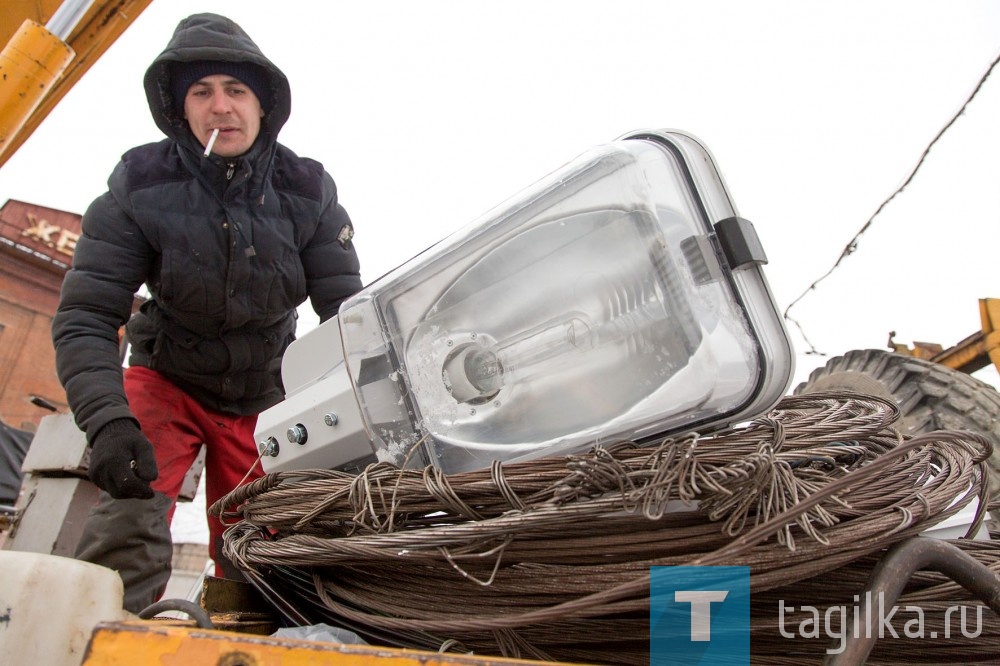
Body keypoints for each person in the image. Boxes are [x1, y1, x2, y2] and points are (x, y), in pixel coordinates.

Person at [51, 13, 362, 613]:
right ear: (179, 109)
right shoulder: (138, 184)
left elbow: (345, 319)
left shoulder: (308, 189)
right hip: (165, 377)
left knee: (261, 546)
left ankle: (244, 638)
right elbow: (86, 315)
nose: (221, 106)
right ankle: (105, 632)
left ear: (264, 103)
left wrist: (352, 420)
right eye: (202, 91)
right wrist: (109, 424)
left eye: (236, 90)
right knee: (129, 514)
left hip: (264, 391)